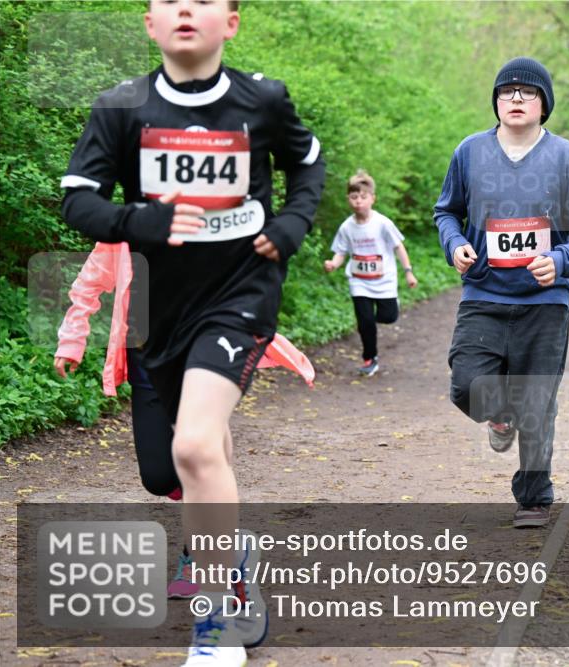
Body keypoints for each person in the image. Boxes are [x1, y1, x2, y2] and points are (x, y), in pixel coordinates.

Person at [60, 0, 325, 663]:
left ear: (230, 23)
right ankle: (232, 552)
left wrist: (291, 226)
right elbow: (77, 198)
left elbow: (310, 166)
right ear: (149, 23)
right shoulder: (120, 107)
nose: (185, 8)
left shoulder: (262, 99)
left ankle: (216, 621)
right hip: (157, 307)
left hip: (239, 294)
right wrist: (139, 221)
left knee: (198, 445)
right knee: (178, 463)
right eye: (169, 0)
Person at [53, 241, 315, 600]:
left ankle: (205, 554)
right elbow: (87, 283)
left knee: (199, 451)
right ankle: (226, 538)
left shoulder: (212, 219)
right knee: (158, 477)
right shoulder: (125, 228)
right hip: (145, 356)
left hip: (201, 353)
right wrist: (72, 340)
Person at [434, 56, 569, 528]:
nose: (515, 98)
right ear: (495, 101)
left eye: (526, 92)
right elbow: (446, 211)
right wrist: (456, 244)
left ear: (542, 104)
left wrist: (564, 260)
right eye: (506, 91)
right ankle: (499, 413)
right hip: (484, 293)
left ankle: (534, 497)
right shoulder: (469, 151)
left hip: (544, 301)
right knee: (467, 384)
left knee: (539, 401)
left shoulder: (565, 157)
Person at [324, 170, 417, 376]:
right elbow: (341, 251)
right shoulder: (346, 227)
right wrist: (333, 264)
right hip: (359, 281)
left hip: (384, 280)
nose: (358, 201)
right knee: (365, 321)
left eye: (363, 197)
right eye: (354, 197)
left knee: (388, 316)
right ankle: (369, 358)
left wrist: (408, 272)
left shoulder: (382, 223)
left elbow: (399, 247)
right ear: (348, 199)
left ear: (372, 199)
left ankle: (392, 307)